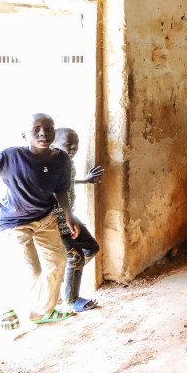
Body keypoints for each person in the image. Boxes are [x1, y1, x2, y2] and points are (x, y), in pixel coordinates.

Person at [0, 113, 79, 329]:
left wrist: (68, 217)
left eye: (49, 128)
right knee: (31, 271)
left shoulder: (61, 159)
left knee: (57, 262)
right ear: (25, 135)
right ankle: (7, 305)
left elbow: (61, 190)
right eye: (37, 129)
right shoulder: (11, 157)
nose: (43, 133)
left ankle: (43, 311)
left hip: (46, 218)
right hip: (16, 223)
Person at [50, 127, 103, 312]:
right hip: (57, 217)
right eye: (68, 144)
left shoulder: (68, 163)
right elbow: (56, 190)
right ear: (53, 143)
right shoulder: (52, 162)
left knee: (92, 247)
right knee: (75, 256)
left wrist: (85, 180)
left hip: (69, 214)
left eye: (76, 144)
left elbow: (68, 184)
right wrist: (65, 217)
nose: (73, 147)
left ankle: (67, 281)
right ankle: (72, 300)